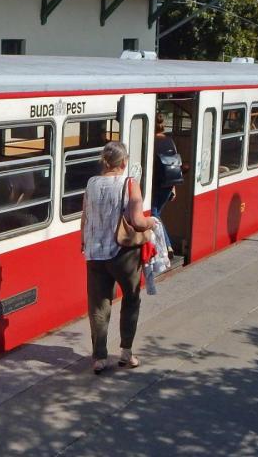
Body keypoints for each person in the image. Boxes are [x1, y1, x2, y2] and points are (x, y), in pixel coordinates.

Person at [80, 141, 156, 374]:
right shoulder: (129, 183)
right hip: (123, 254)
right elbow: (137, 221)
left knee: (98, 304)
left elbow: (84, 218)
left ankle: (99, 358)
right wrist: (151, 222)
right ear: (123, 162)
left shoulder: (91, 183)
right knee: (131, 298)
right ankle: (126, 353)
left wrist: (84, 243)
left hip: (94, 253)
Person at [151, 113, 183, 248]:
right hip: (168, 186)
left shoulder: (151, 142)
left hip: (155, 185)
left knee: (154, 214)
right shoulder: (170, 141)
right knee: (156, 213)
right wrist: (173, 187)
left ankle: (166, 246)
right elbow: (174, 164)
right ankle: (161, 248)